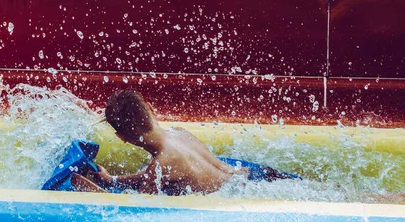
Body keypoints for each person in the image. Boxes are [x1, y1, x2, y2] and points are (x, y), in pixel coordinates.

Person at [70, 89, 294, 195]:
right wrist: (113, 180)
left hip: (238, 198)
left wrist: (97, 193)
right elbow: (153, 175)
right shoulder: (180, 133)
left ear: (122, 138)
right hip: (254, 179)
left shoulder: (160, 165)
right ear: (151, 108)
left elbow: (136, 211)